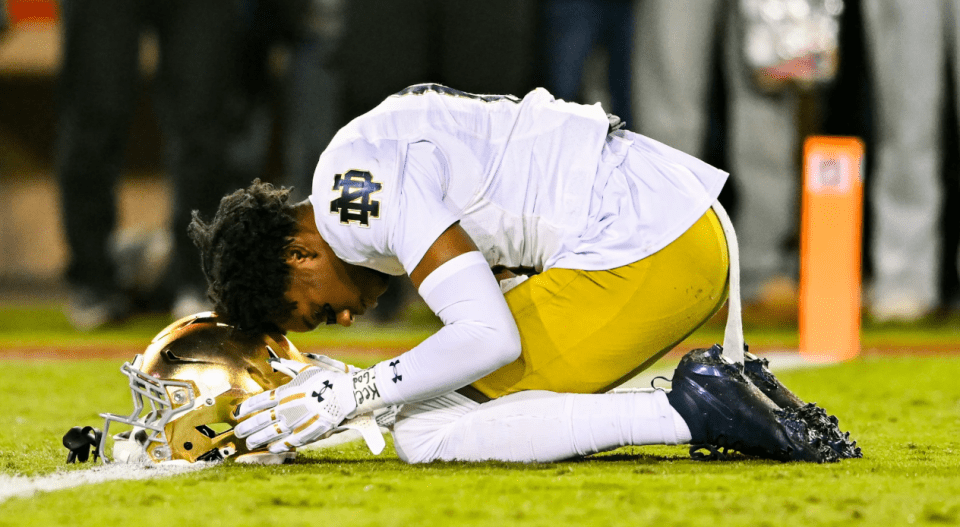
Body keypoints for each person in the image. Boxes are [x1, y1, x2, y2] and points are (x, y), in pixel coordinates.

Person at [188, 84, 858, 463]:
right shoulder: (351, 161)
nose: (338, 316)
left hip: (646, 242)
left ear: (298, 256)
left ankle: (695, 411)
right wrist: (361, 393)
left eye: (310, 309)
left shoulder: (348, 201)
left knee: (428, 430)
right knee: (429, 399)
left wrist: (351, 393)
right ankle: (737, 393)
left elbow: (487, 337)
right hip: (665, 222)